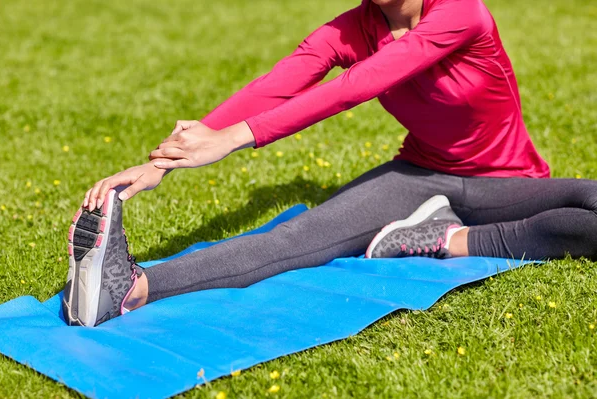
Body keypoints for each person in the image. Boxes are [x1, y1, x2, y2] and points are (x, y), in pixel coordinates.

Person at [62, 0, 597, 327]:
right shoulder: (350, 29)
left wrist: (236, 139)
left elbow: (358, 86)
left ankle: (448, 240)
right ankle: (129, 287)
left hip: (510, 182)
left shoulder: (460, 11)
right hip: (418, 173)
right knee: (297, 238)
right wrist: (164, 163)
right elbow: (278, 85)